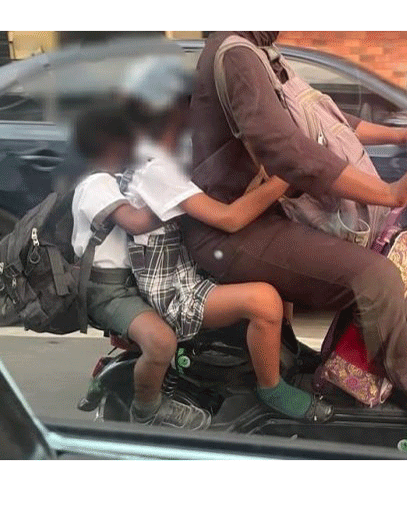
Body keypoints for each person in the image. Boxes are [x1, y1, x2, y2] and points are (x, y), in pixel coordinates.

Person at [185, 31, 407, 449]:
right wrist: (391, 191)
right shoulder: (236, 55)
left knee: (376, 253)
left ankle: (357, 367)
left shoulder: (263, 54)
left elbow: (323, 122)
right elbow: (289, 151)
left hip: (264, 211)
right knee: (376, 277)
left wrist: (402, 135)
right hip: (234, 230)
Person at [120, 57, 332, 422]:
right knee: (265, 301)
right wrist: (285, 176)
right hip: (174, 289)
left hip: (191, 265)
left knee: (283, 272)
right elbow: (229, 219)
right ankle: (272, 390)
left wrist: (269, 178)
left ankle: (287, 355)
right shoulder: (155, 170)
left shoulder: (174, 158)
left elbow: (228, 203)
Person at [71, 104, 210, 430]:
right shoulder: (95, 185)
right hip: (107, 289)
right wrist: (176, 199)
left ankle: (107, 378)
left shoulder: (119, 179)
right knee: (161, 342)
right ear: (109, 143)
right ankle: (148, 409)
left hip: (128, 281)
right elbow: (136, 223)